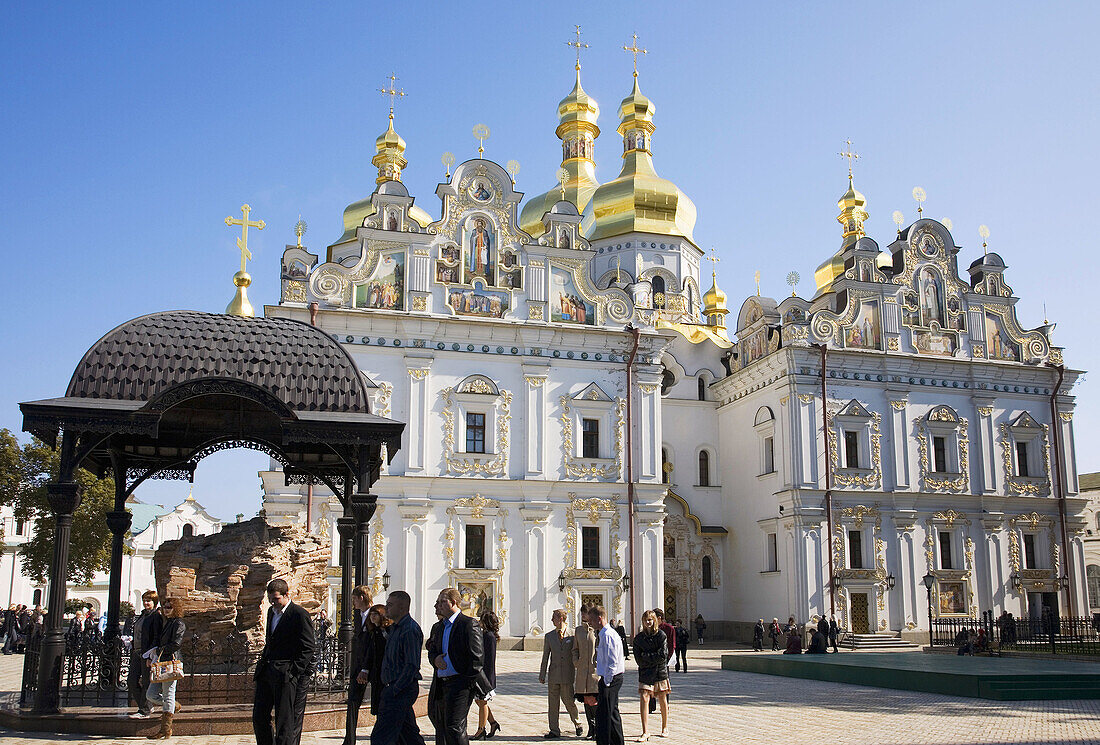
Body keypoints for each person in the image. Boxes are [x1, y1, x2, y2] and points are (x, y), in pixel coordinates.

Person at [253, 579, 317, 745]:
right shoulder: (271, 612)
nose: (273, 603)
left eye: (276, 599)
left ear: (286, 595)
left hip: (285, 674)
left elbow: (308, 646)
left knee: (284, 721)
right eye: (270, 599)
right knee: (259, 716)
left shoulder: (299, 614)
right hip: (267, 671)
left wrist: (293, 671)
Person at [426, 588, 491, 745]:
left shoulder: (468, 624)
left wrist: (465, 683)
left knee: (455, 726)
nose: (438, 605)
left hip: (460, 684)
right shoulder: (439, 627)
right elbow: (432, 651)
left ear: (453, 602)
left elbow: (477, 658)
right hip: (441, 683)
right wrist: (435, 660)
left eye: (442, 601)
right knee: (440, 724)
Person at [370, 591, 426, 745]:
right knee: (408, 736)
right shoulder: (395, 628)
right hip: (392, 688)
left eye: (390, 604)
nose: (386, 608)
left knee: (381, 737)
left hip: (400, 690)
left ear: (402, 608)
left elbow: (411, 665)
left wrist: (395, 689)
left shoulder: (410, 630)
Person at [144, 596, 185, 739]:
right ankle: (175, 705)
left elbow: (176, 644)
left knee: (168, 694)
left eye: (169, 607)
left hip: (170, 663)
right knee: (151, 694)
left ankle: (165, 729)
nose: (165, 610)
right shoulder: (166, 622)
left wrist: (161, 650)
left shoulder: (178, 623)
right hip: (162, 662)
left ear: (175, 609)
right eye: (164, 607)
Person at [540, 608, 582, 739]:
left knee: (569, 701)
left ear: (561, 619)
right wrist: (542, 674)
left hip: (568, 674)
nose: (552, 620)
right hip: (554, 674)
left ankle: (577, 723)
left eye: (554, 617)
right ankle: (554, 729)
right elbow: (545, 656)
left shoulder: (573, 634)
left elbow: (577, 652)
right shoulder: (549, 636)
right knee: (553, 704)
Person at [632, 610, 670, 741]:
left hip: (660, 672)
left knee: (662, 699)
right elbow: (638, 659)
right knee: (644, 698)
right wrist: (650, 657)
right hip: (645, 672)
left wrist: (646, 656)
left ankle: (664, 726)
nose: (648, 622)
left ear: (655, 620)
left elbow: (663, 655)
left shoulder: (661, 636)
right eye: (646, 620)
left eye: (650, 619)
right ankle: (645, 731)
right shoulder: (639, 638)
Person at [343, 585, 373, 745]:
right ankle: (349, 740)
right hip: (357, 668)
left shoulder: (374, 615)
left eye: (354, 598)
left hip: (369, 670)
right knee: (352, 703)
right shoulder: (359, 616)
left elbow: (372, 646)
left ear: (362, 597)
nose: (353, 602)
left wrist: (365, 669)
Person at [590, 605, 624, 745]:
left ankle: (609, 741)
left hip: (611, 679)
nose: (590, 623)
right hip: (609, 678)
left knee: (606, 714)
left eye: (591, 620)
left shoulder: (608, 635)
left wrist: (607, 682)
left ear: (599, 619)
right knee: (610, 712)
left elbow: (612, 661)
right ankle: (614, 741)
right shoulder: (603, 634)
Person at [128, 591, 159, 720]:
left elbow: (155, 636)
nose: (146, 603)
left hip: (146, 653)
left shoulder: (155, 616)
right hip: (136, 651)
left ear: (154, 602)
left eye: (149, 600)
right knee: (131, 681)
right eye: (145, 600)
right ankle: (146, 705)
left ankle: (144, 710)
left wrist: (151, 654)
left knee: (146, 681)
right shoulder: (142, 616)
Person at [471, 611, 500, 739]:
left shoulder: (489, 636)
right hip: (482, 673)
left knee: (482, 701)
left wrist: (485, 678)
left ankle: (481, 730)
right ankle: (493, 723)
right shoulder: (485, 634)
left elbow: (489, 659)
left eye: (481, 619)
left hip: (486, 675)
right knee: (479, 701)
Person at [572, 606, 599, 741]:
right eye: (582, 612)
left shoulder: (597, 631)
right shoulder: (578, 631)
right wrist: (576, 662)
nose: (583, 615)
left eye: (586, 613)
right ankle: (591, 728)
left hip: (595, 672)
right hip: (582, 671)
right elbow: (575, 649)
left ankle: (597, 728)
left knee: (594, 700)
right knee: (586, 701)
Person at [366, 604, 392, 717]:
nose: (372, 617)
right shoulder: (374, 632)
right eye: (371, 614)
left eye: (375, 614)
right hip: (376, 674)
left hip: (385, 672)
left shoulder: (387, 631)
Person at [650, 610, 675, 714]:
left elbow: (672, 644)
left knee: (663, 684)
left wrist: (667, 658)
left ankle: (665, 705)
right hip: (652, 660)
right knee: (650, 683)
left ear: (659, 617)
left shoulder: (669, 629)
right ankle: (651, 706)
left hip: (663, 661)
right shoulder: (651, 629)